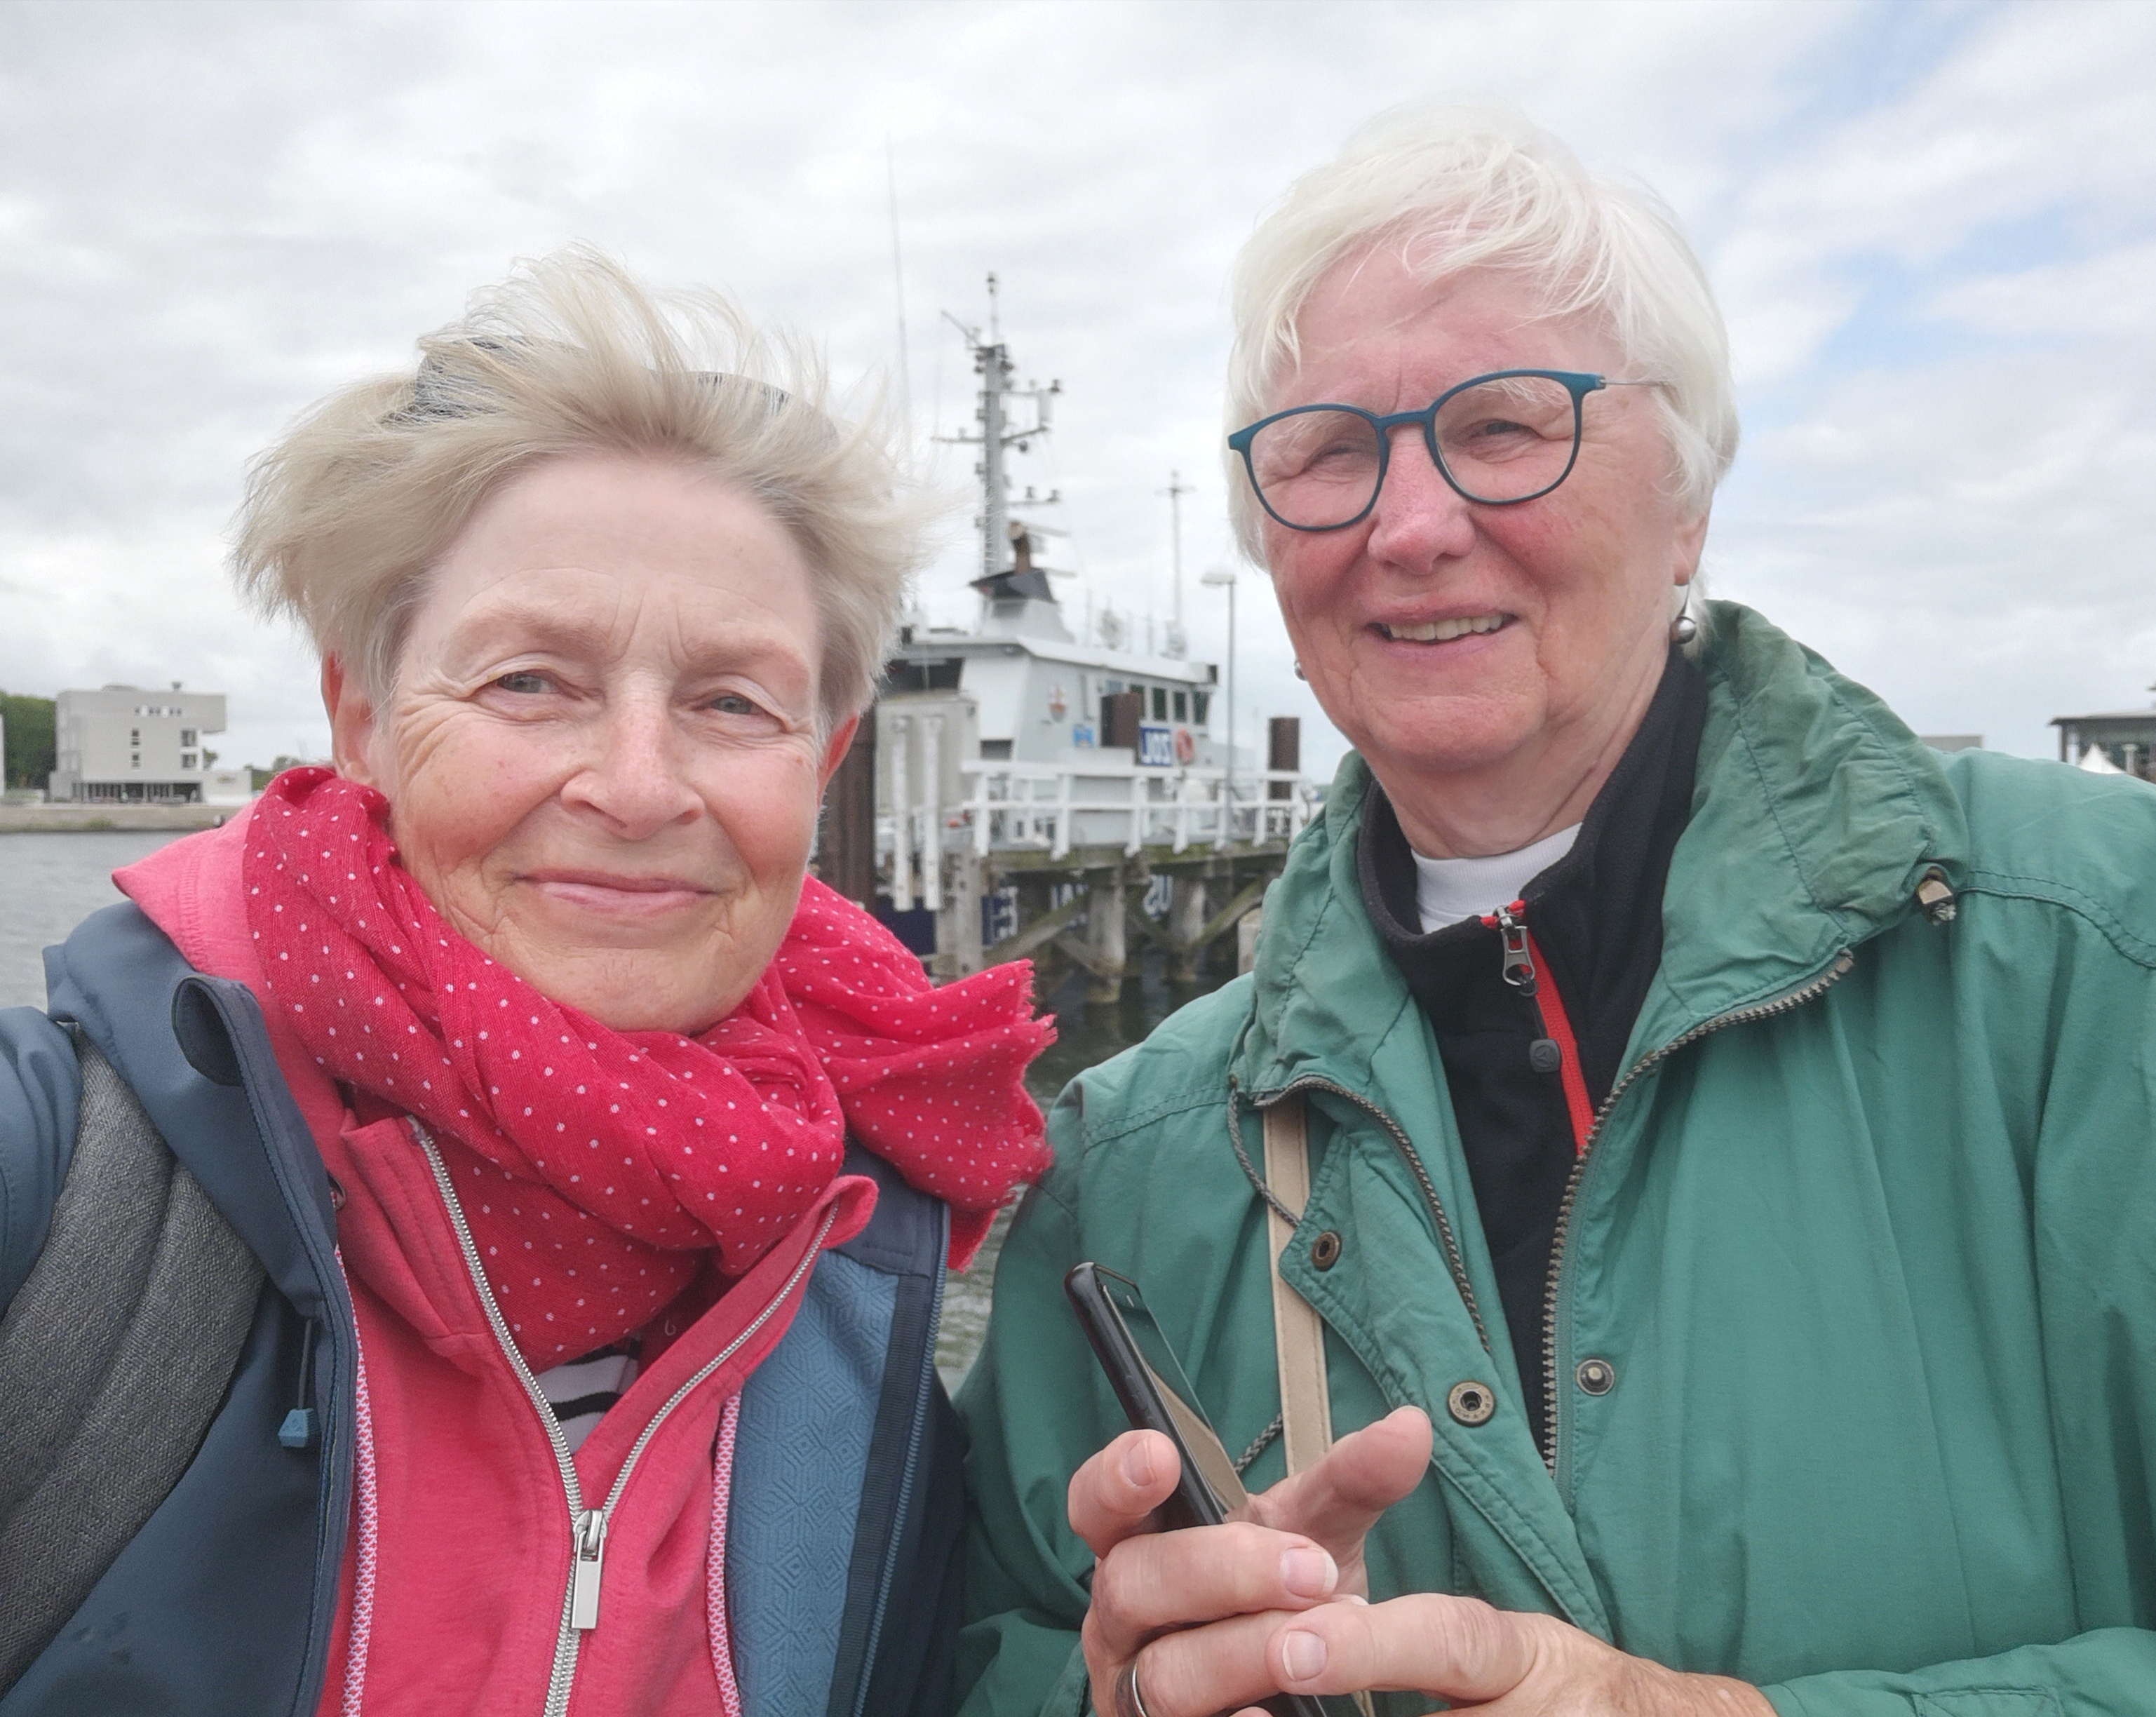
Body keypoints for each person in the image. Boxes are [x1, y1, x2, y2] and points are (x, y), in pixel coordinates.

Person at [954, 109, 2156, 1717]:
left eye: (1507, 426)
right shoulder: (1129, 1159)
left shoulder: (2089, 953)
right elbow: (985, 1643)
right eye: (1324, 451)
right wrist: (1106, 1697)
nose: (1409, 522)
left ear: (1690, 502)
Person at [0, 248, 1054, 1715]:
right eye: (528, 683)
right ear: (361, 718)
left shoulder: (868, 1218)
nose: (634, 786)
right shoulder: (58, 1173)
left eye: (729, 703)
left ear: (818, 764)